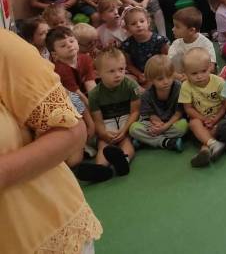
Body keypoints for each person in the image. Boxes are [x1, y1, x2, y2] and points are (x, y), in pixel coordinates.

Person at [0, 30, 103, 253]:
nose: (70, 46)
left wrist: (93, 123)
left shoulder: (6, 49)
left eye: (72, 41)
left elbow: (73, 122)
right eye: (63, 45)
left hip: (37, 226)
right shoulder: (64, 69)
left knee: (93, 145)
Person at [89, 47, 141, 177]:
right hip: (107, 124)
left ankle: (123, 161)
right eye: (111, 71)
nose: (118, 74)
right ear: (98, 73)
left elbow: (135, 111)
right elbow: (98, 120)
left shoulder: (131, 86)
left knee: (126, 142)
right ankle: (100, 169)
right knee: (103, 145)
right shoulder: (94, 95)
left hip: (126, 121)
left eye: (121, 69)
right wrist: (104, 133)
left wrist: (124, 130)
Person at [178, 47, 226, 168]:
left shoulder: (219, 82)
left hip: (220, 116)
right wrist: (203, 118)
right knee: (193, 123)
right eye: (194, 73)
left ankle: (205, 149)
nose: (199, 76)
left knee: (223, 124)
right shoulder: (186, 86)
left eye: (203, 71)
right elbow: (188, 108)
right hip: (200, 118)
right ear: (185, 73)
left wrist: (216, 118)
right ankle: (213, 144)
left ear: (210, 67)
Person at [128, 55, 188, 152]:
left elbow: (178, 114)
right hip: (155, 124)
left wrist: (164, 127)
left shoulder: (179, 88)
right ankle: (166, 142)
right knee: (133, 128)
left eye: (169, 76)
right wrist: (157, 124)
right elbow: (151, 115)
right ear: (151, 80)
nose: (166, 81)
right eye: (160, 79)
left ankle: (146, 140)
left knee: (183, 126)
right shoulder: (146, 95)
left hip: (172, 122)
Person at [169, 6, 217, 76]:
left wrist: (192, 75)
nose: (173, 29)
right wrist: (177, 75)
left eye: (177, 27)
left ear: (191, 30)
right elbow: (169, 65)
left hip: (202, 76)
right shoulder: (176, 44)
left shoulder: (205, 43)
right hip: (183, 76)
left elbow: (211, 67)